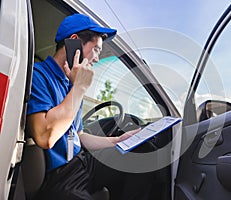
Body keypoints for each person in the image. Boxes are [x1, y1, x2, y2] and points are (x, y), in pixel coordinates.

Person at [26, 13, 153, 200]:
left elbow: (78, 135)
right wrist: (79, 89)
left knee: (143, 150)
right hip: (60, 176)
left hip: (83, 163)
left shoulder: (71, 84)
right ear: (74, 42)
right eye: (96, 50)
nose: (96, 59)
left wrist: (117, 141)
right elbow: (45, 136)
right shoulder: (39, 76)